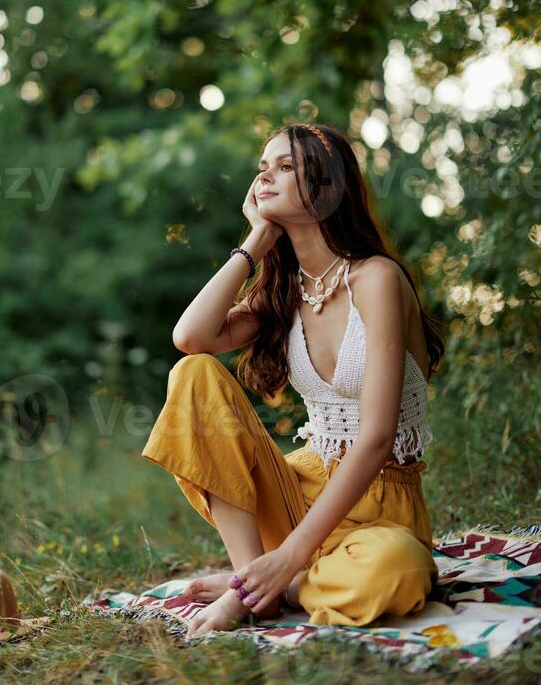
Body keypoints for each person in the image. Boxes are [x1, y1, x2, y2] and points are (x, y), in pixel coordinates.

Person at [141, 122, 444, 640]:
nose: (265, 178)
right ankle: (251, 586)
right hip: (297, 490)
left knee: (398, 570)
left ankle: (275, 584)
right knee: (194, 374)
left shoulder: (377, 280)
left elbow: (374, 439)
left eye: (286, 167)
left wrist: (289, 561)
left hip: (378, 508)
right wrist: (255, 241)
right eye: (262, 168)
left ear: (328, 189)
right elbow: (190, 337)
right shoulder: (282, 291)